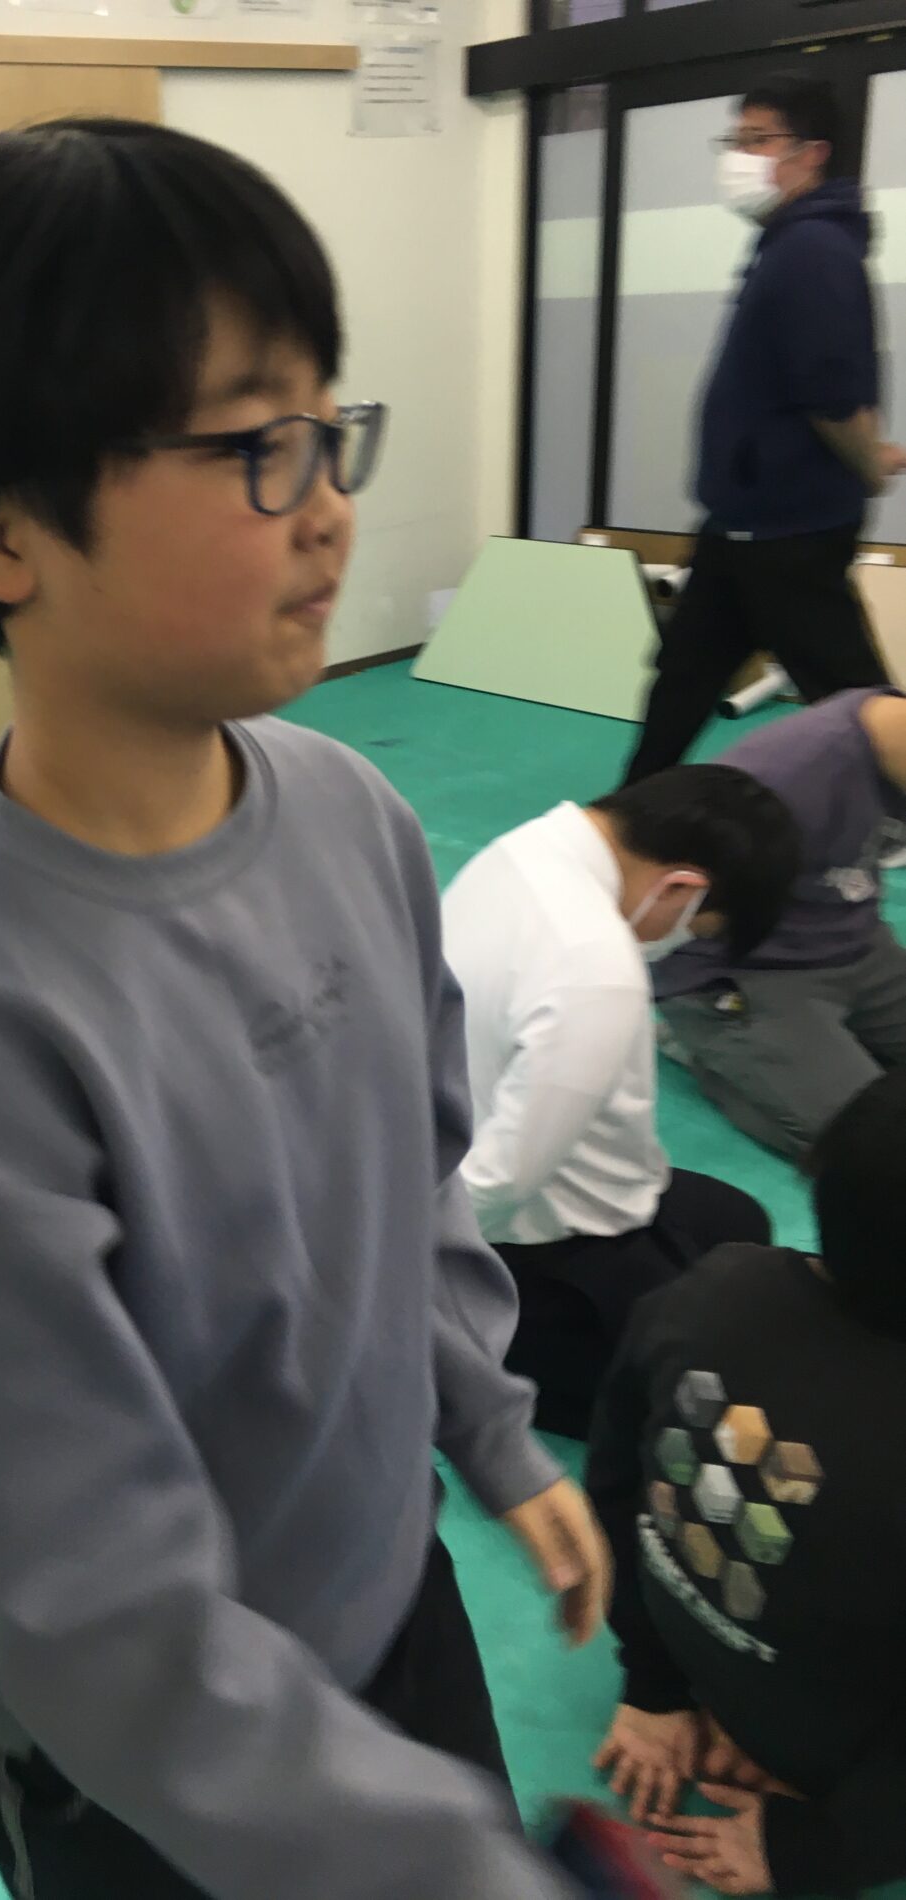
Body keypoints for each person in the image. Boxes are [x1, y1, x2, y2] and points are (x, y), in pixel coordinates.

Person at [0, 119, 607, 1900]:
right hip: (139, 1764)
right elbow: (105, 1624)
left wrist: (488, 1432)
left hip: (383, 1599)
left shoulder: (352, 814)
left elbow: (412, 1187)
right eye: (252, 446)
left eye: (327, 425)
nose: (328, 504)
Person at [586, 1069, 906, 1899]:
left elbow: (615, 1484)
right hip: (826, 1760)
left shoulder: (714, 1286)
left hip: (688, 1661)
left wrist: (652, 1685)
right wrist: (821, 1851)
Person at [442, 768, 798, 1438]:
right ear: (680, 887)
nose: (679, 942)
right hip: (529, 1245)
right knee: (701, 1386)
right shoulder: (594, 970)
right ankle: (487, 1344)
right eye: (694, 930)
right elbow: (497, 1182)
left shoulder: (524, 849)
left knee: (735, 1219)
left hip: (463, 1161)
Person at [623, 74, 905, 787]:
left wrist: (868, 467)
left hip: (788, 528)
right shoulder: (785, 243)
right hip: (742, 522)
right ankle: (632, 808)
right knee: (684, 674)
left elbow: (832, 396)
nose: (739, 157)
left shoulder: (812, 249)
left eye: (758, 140)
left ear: (812, 153)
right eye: (735, 140)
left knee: (848, 694)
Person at [657, 687, 906, 1160]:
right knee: (875, 1150)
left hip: (856, 942)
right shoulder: (779, 778)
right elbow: (665, 906)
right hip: (738, 971)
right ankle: (711, 1051)